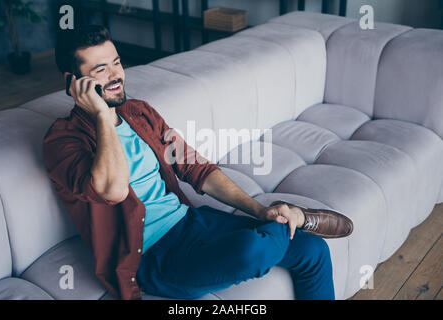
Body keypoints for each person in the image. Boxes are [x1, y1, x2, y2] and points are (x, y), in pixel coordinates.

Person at [43, 25, 353, 300]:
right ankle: (294, 216)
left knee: (313, 250)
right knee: (252, 251)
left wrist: (261, 210)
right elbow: (113, 190)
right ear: (75, 83)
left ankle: (281, 218)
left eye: (117, 63)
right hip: (152, 258)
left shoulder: (139, 112)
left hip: (190, 223)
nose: (116, 76)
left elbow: (195, 168)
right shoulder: (62, 140)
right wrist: (101, 116)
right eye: (101, 70)